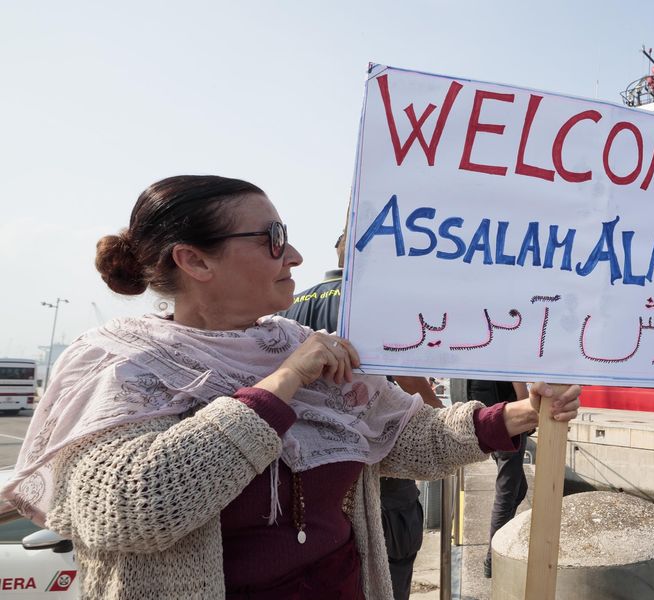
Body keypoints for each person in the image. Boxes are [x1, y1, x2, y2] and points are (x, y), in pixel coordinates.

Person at [0, 175, 580, 600]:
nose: (295, 255)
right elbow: (132, 509)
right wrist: (279, 385)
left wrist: (516, 416)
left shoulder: (296, 341)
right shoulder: (119, 363)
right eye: (272, 238)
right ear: (194, 261)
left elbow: (408, 435)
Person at [280, 230, 442, 600]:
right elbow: (415, 389)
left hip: (311, 476)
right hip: (380, 465)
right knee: (390, 565)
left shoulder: (289, 309)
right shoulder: (377, 309)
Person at [468, 380, 531, 579]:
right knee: (506, 494)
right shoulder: (511, 356)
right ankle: (493, 558)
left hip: (490, 421)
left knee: (520, 488)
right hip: (509, 423)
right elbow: (521, 391)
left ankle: (501, 540)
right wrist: (530, 416)